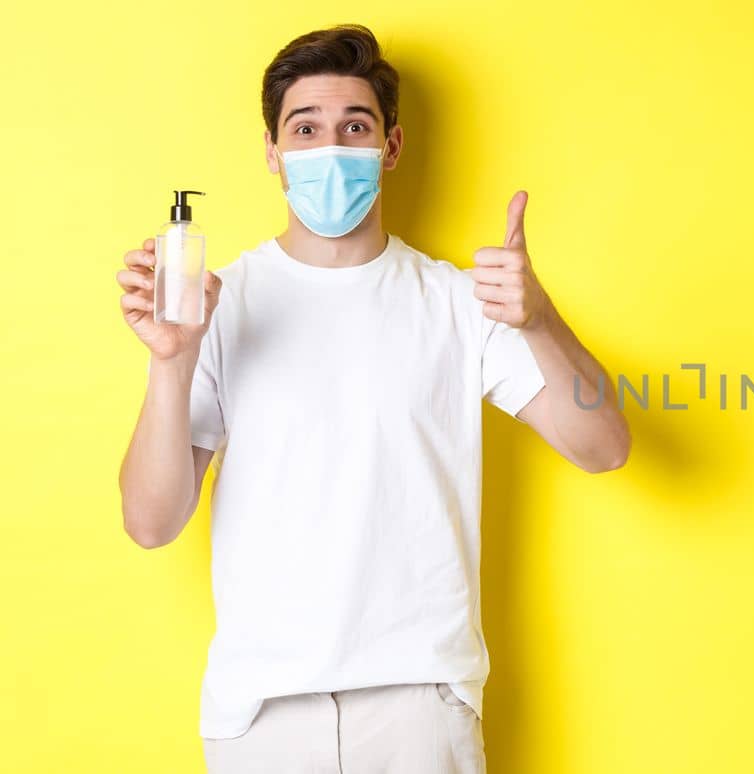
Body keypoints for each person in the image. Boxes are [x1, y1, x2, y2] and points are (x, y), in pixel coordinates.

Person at [114, 24, 631, 773]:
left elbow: (605, 446)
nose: (330, 148)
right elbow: (151, 522)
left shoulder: (459, 303)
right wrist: (172, 361)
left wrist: (540, 320)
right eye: (306, 129)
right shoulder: (215, 306)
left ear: (389, 147)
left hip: (420, 707)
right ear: (272, 152)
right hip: (262, 713)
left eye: (354, 127)